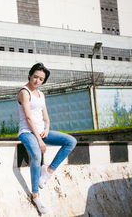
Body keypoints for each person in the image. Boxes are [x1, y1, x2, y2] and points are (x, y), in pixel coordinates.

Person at [17, 62, 77, 214]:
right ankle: (35, 194)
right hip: (27, 132)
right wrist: (39, 139)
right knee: (36, 154)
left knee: (70, 141)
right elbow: (29, 118)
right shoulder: (24, 92)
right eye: (35, 77)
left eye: (41, 79)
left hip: (41, 131)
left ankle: (48, 172)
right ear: (30, 75)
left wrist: (47, 129)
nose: (37, 81)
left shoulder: (41, 94)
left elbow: (46, 118)